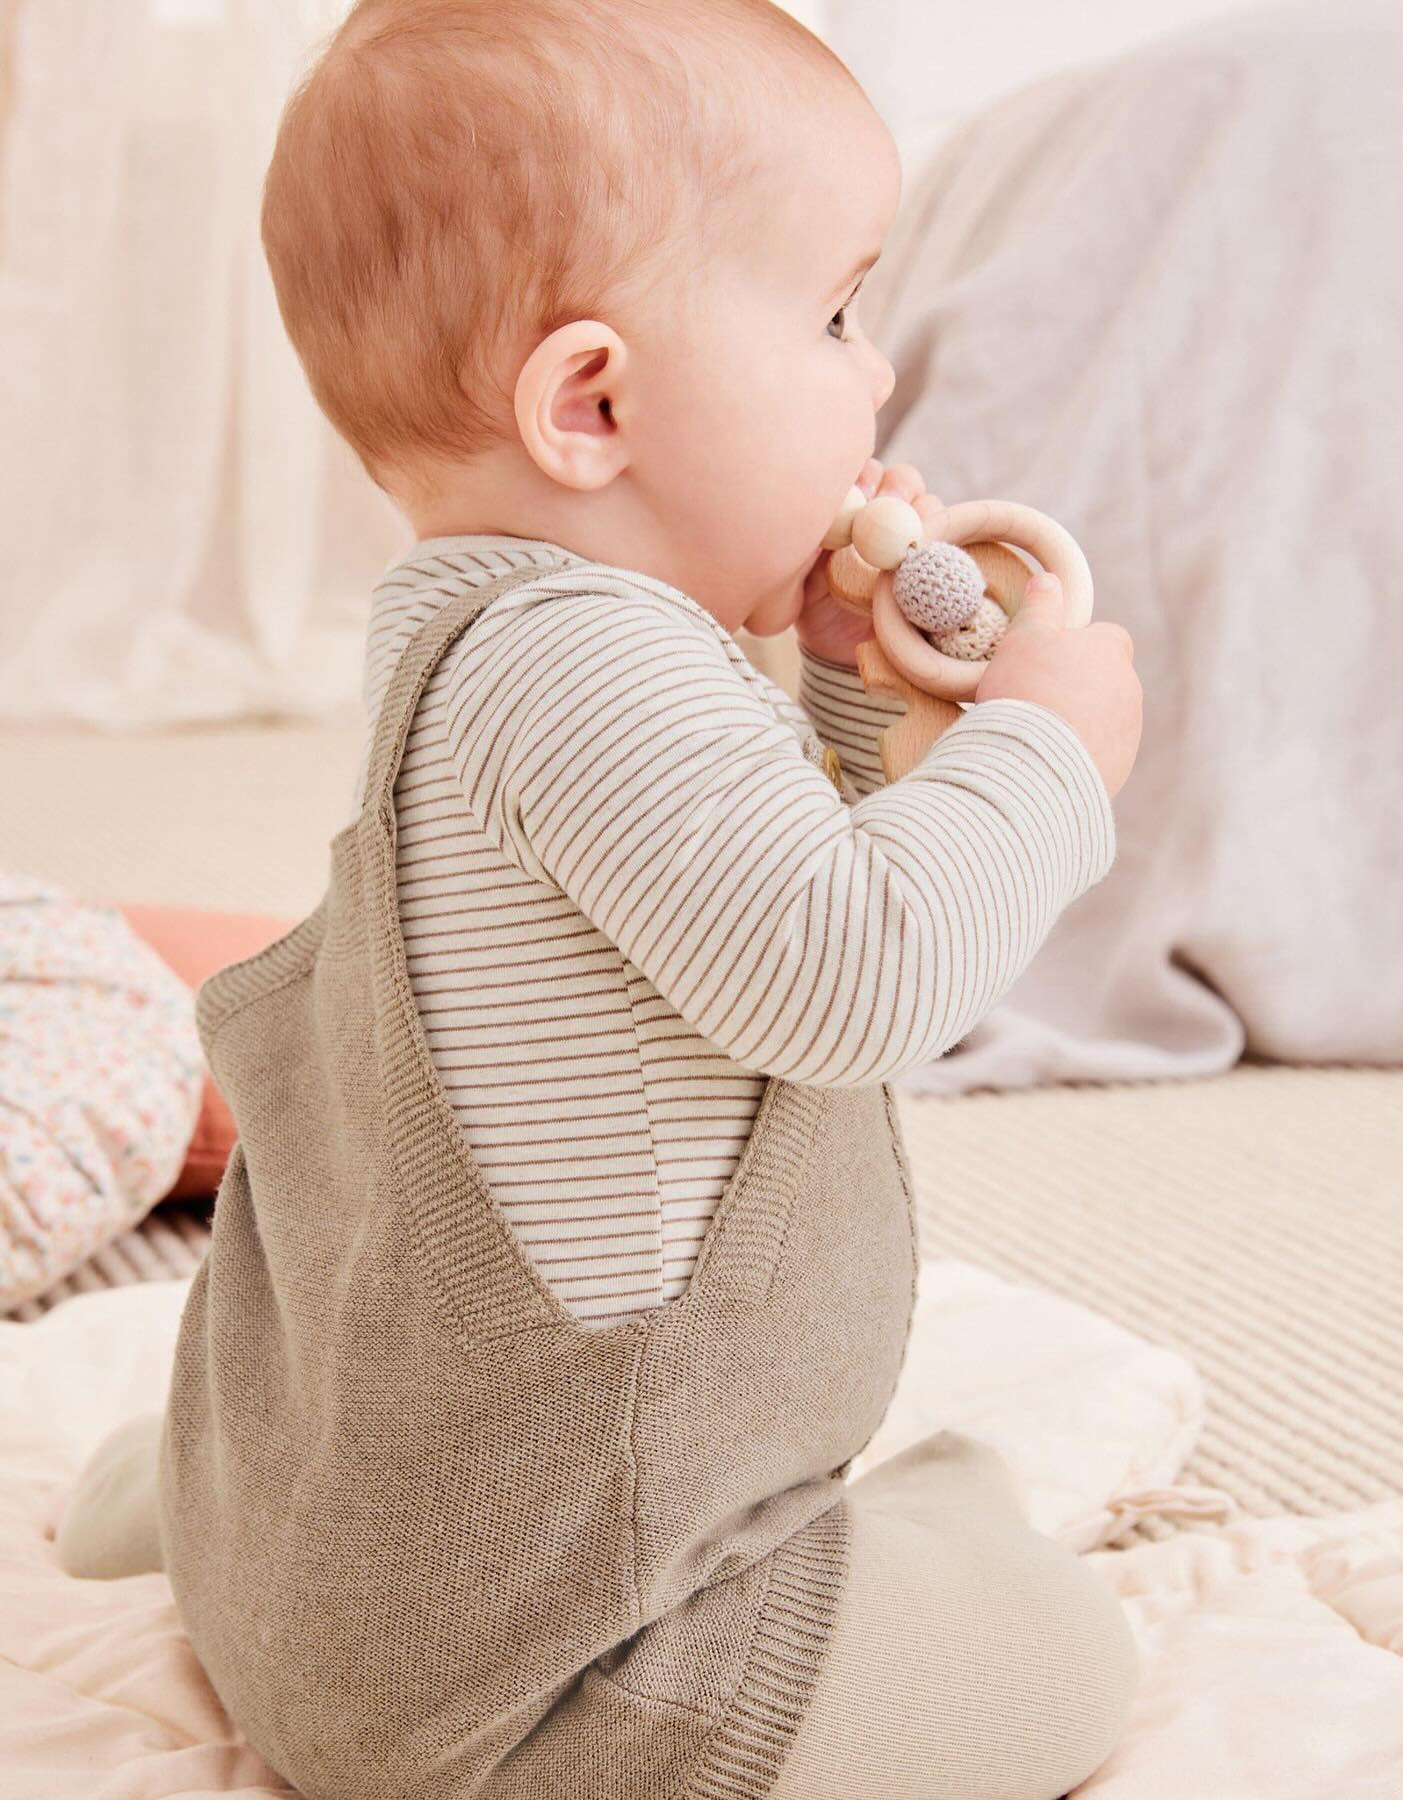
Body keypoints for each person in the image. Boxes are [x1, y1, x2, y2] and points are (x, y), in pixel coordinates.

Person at [56, 2, 1143, 1795]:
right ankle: (945, 1534)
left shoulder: (485, 647)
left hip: (372, 1567)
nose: (876, 377)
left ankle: (213, 1510)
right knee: (1057, 1668)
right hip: (555, 1670)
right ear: (595, 403)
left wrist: (864, 687)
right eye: (836, 313)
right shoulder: (581, 678)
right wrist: (1043, 752)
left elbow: (775, 901)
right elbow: (859, 972)